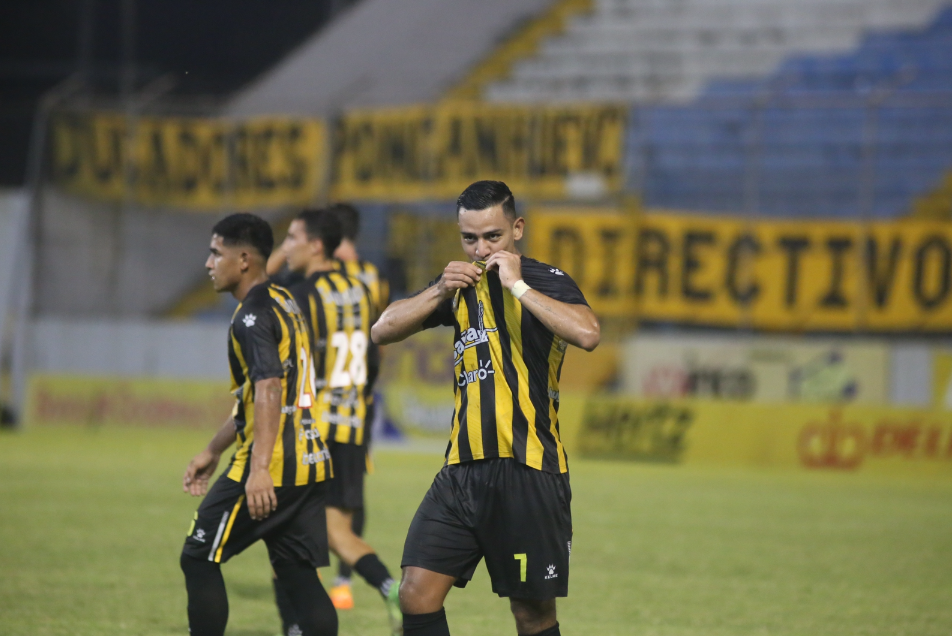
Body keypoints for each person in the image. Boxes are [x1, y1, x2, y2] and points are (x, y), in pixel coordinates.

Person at [371, 181, 600, 636]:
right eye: (469, 238)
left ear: (517, 229)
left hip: (528, 469)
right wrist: (438, 291)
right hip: (461, 471)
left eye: (492, 237)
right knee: (414, 593)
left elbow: (588, 333)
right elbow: (382, 329)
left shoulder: (543, 279)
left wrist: (517, 286)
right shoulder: (458, 288)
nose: (481, 249)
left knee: (532, 615)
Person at [180, 213, 337, 636]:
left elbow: (268, 388)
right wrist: (212, 450)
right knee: (298, 574)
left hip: (271, 466)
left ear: (244, 259)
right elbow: (257, 399)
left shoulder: (250, 317)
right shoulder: (286, 301)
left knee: (198, 557)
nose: (209, 263)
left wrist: (260, 469)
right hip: (308, 461)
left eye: (216, 253)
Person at [271, 208, 402, 636]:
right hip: (352, 427)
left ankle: (296, 627)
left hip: (314, 429)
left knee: (287, 535)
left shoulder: (301, 295)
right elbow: (372, 358)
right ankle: (390, 588)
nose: (286, 248)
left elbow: (287, 364)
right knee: (337, 531)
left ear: (315, 245)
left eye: (292, 239)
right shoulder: (360, 289)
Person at [326, 202, 389, 610]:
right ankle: (342, 580)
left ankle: (335, 581)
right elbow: (379, 337)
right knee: (352, 494)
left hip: (319, 407)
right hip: (357, 406)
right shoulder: (373, 278)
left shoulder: (316, 276)